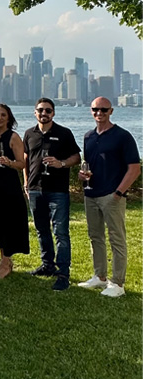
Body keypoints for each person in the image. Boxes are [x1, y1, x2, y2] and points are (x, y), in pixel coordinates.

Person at [77, 97, 141, 297]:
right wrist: (82, 175)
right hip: (91, 194)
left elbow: (134, 168)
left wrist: (119, 192)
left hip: (112, 196)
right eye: (96, 109)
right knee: (95, 237)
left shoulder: (123, 136)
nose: (99, 113)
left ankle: (118, 284)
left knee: (117, 239)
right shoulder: (88, 137)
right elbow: (89, 165)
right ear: (91, 111)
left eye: (104, 110)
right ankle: (100, 277)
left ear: (111, 111)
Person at [23, 98, 80, 291]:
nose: (44, 113)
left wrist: (61, 163)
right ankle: (48, 265)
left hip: (58, 190)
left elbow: (76, 157)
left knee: (61, 233)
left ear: (53, 113)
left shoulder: (64, 133)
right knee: (41, 230)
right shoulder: (29, 133)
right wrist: (26, 183)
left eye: (48, 110)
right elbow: (26, 161)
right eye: (40, 110)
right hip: (35, 189)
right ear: (35, 112)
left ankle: (63, 274)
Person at [0, 104, 29, 279]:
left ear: (9, 118)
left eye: (2, 115)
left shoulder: (13, 137)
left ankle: (6, 261)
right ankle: (3, 258)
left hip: (7, 184)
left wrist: (9, 162)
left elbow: (22, 163)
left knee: (9, 221)